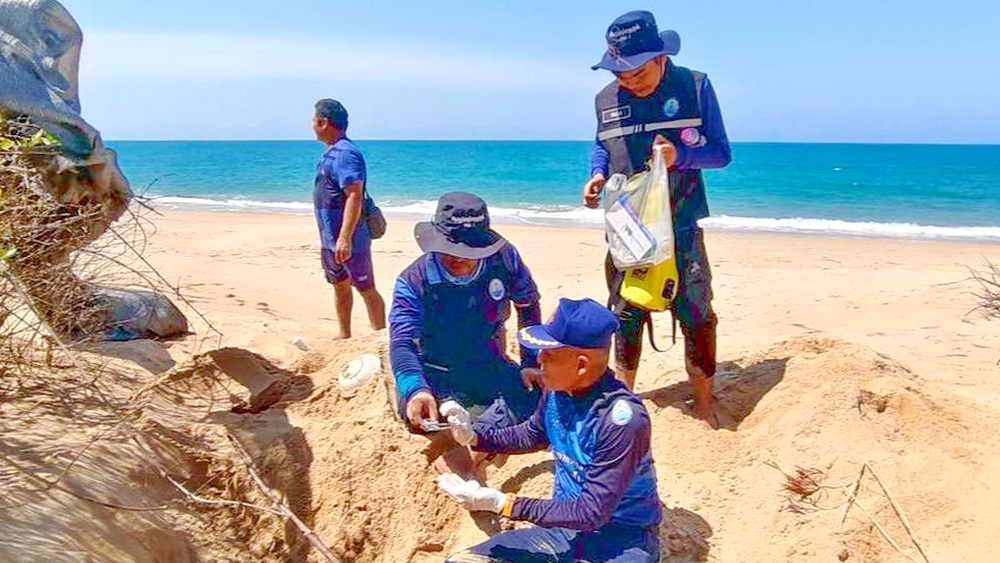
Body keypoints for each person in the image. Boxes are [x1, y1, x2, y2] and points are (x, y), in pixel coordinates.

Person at [582, 11, 732, 426]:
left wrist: (680, 156)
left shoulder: (695, 86)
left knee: (695, 311)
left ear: (661, 57)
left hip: (680, 222)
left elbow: (721, 153)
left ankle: (704, 402)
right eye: (620, 73)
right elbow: (602, 144)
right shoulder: (605, 99)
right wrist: (596, 174)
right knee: (625, 311)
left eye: (638, 71)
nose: (629, 81)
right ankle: (624, 401)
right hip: (627, 228)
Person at [437, 297, 661, 562]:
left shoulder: (622, 421)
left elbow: (591, 512)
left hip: (621, 541)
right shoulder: (558, 390)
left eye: (550, 354)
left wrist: (502, 503)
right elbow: (532, 434)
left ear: (581, 365)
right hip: (562, 532)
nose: (539, 358)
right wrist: (475, 436)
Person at [389, 192, 544, 472]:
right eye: (451, 250)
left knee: (542, 400)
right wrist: (416, 390)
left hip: (487, 361)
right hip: (435, 369)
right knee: (421, 415)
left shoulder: (505, 258)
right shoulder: (413, 281)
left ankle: (480, 441)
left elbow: (528, 306)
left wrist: (530, 362)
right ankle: (457, 438)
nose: (460, 259)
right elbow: (402, 343)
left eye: (470, 252)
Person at [312, 98, 386, 339]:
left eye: (314, 120)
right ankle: (344, 335)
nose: (312, 125)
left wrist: (344, 238)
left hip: (351, 239)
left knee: (366, 288)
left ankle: (379, 338)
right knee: (339, 284)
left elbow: (354, 195)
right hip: (329, 238)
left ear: (323, 122)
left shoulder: (346, 153)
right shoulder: (331, 152)